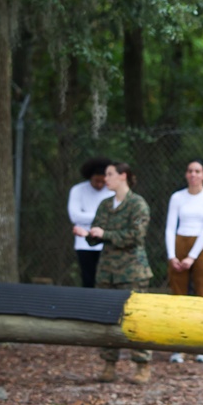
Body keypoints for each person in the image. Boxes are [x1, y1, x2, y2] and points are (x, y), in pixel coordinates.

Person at [73, 161, 154, 385]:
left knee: (136, 318)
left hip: (132, 272)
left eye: (110, 174)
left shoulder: (138, 204)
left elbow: (136, 236)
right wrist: (87, 234)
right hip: (107, 271)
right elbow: (97, 234)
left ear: (123, 176)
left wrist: (105, 233)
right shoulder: (105, 205)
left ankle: (142, 364)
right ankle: (109, 364)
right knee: (107, 318)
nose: (105, 179)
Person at [165, 158, 203, 298]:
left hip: (201, 245)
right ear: (186, 174)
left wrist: (191, 257)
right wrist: (172, 256)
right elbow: (170, 228)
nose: (193, 174)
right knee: (177, 287)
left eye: (197, 171)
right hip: (180, 241)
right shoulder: (177, 197)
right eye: (190, 171)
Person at [67, 157, 114, 288]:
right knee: (88, 279)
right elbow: (75, 216)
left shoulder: (111, 191)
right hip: (83, 244)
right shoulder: (78, 190)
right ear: (90, 177)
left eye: (102, 181)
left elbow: (114, 216)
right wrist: (101, 218)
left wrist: (87, 217)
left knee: (106, 280)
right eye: (96, 181)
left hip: (105, 241)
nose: (99, 184)